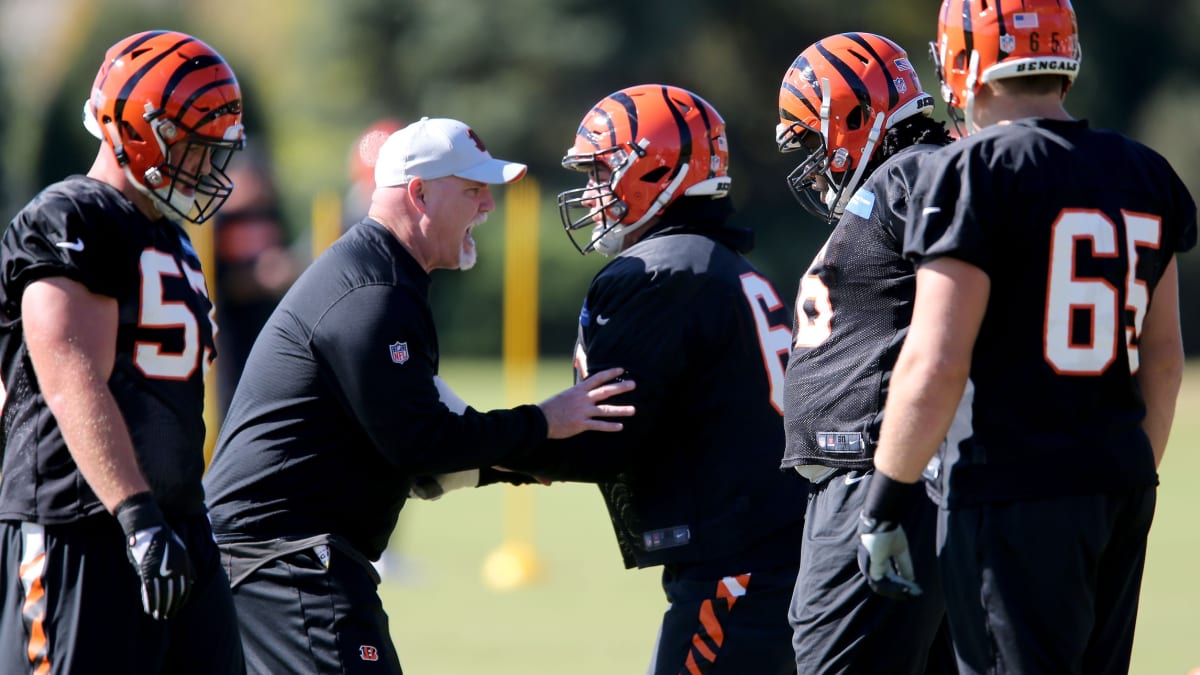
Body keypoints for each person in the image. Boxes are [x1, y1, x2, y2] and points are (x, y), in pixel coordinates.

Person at [201, 116, 636, 674]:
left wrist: (526, 458)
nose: (489, 206)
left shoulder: (385, 275)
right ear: (419, 193)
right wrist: (543, 424)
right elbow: (423, 446)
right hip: (285, 563)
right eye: (474, 190)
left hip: (286, 559)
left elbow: (426, 439)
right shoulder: (373, 293)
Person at [857, 1, 1197, 674]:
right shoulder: (1144, 171)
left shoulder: (970, 171)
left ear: (965, 63)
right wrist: (1126, 471)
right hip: (1118, 484)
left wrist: (883, 501)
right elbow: (1162, 361)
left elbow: (935, 359)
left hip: (1012, 487)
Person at [495, 83, 807, 674]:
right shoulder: (718, 263)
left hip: (740, 564)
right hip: (774, 551)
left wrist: (475, 451)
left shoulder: (661, 272)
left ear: (656, 169)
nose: (590, 193)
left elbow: (602, 437)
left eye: (600, 172)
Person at [0, 30, 247, 673]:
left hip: (176, 524)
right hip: (82, 528)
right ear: (140, 129)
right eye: (193, 146)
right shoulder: (71, 218)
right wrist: (137, 517)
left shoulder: (170, 236)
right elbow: (71, 378)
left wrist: (175, 518)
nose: (205, 167)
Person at [774, 33, 960, 674]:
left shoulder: (920, 174)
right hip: (876, 477)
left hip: (882, 476)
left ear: (852, 115)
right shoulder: (898, 181)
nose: (813, 160)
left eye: (810, 136)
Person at [213, 145, 301, 413]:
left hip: (267, 323)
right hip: (226, 331)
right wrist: (256, 279)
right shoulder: (216, 222)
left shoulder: (270, 215)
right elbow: (212, 281)